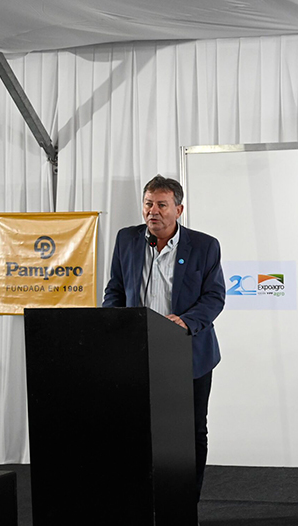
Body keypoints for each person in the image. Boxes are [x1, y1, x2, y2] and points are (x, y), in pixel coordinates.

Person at [103, 175, 225, 500]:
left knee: (191, 430)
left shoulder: (204, 246)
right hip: (138, 352)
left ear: (178, 209)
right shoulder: (127, 239)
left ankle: (187, 504)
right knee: (138, 429)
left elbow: (214, 297)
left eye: (161, 205)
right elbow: (115, 289)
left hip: (189, 353)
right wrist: (113, 321)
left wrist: (185, 321)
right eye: (148, 204)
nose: (152, 211)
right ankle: (143, 501)